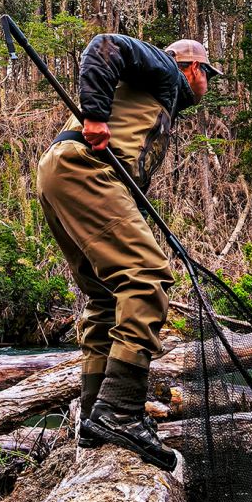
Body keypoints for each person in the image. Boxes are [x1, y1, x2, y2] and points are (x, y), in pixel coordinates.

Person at [36, 34, 221, 471]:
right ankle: (120, 413)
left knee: (106, 297)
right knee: (148, 278)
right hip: (85, 167)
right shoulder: (165, 71)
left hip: (61, 172)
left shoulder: (154, 100)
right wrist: (96, 116)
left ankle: (96, 414)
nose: (206, 85)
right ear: (193, 68)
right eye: (208, 75)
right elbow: (104, 48)